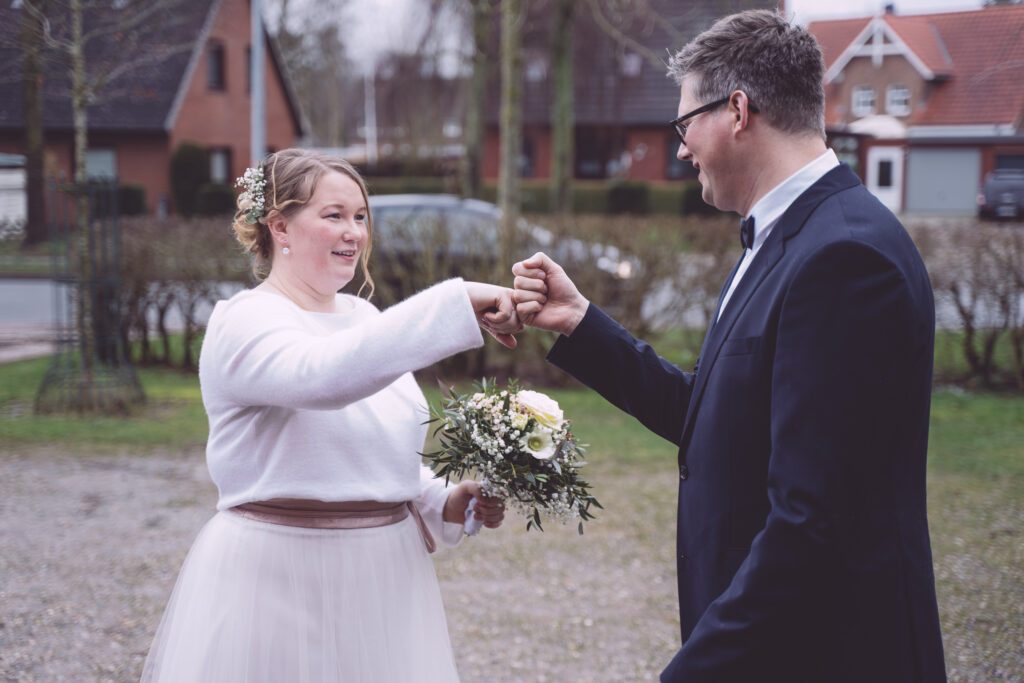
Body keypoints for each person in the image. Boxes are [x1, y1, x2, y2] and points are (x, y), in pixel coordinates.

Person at [512, 10, 946, 682]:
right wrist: (580, 322)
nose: (682, 147)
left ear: (737, 110)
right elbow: (720, 419)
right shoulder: (783, 236)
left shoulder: (845, 258)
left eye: (685, 125)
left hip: (823, 654)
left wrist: (690, 670)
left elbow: (812, 523)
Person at [141, 148, 516, 682]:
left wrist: (445, 499)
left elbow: (379, 441)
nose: (354, 232)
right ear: (280, 227)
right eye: (334, 215)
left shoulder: (365, 318)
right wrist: (458, 302)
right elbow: (320, 378)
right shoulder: (244, 321)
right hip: (278, 576)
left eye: (360, 216)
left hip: (384, 576)